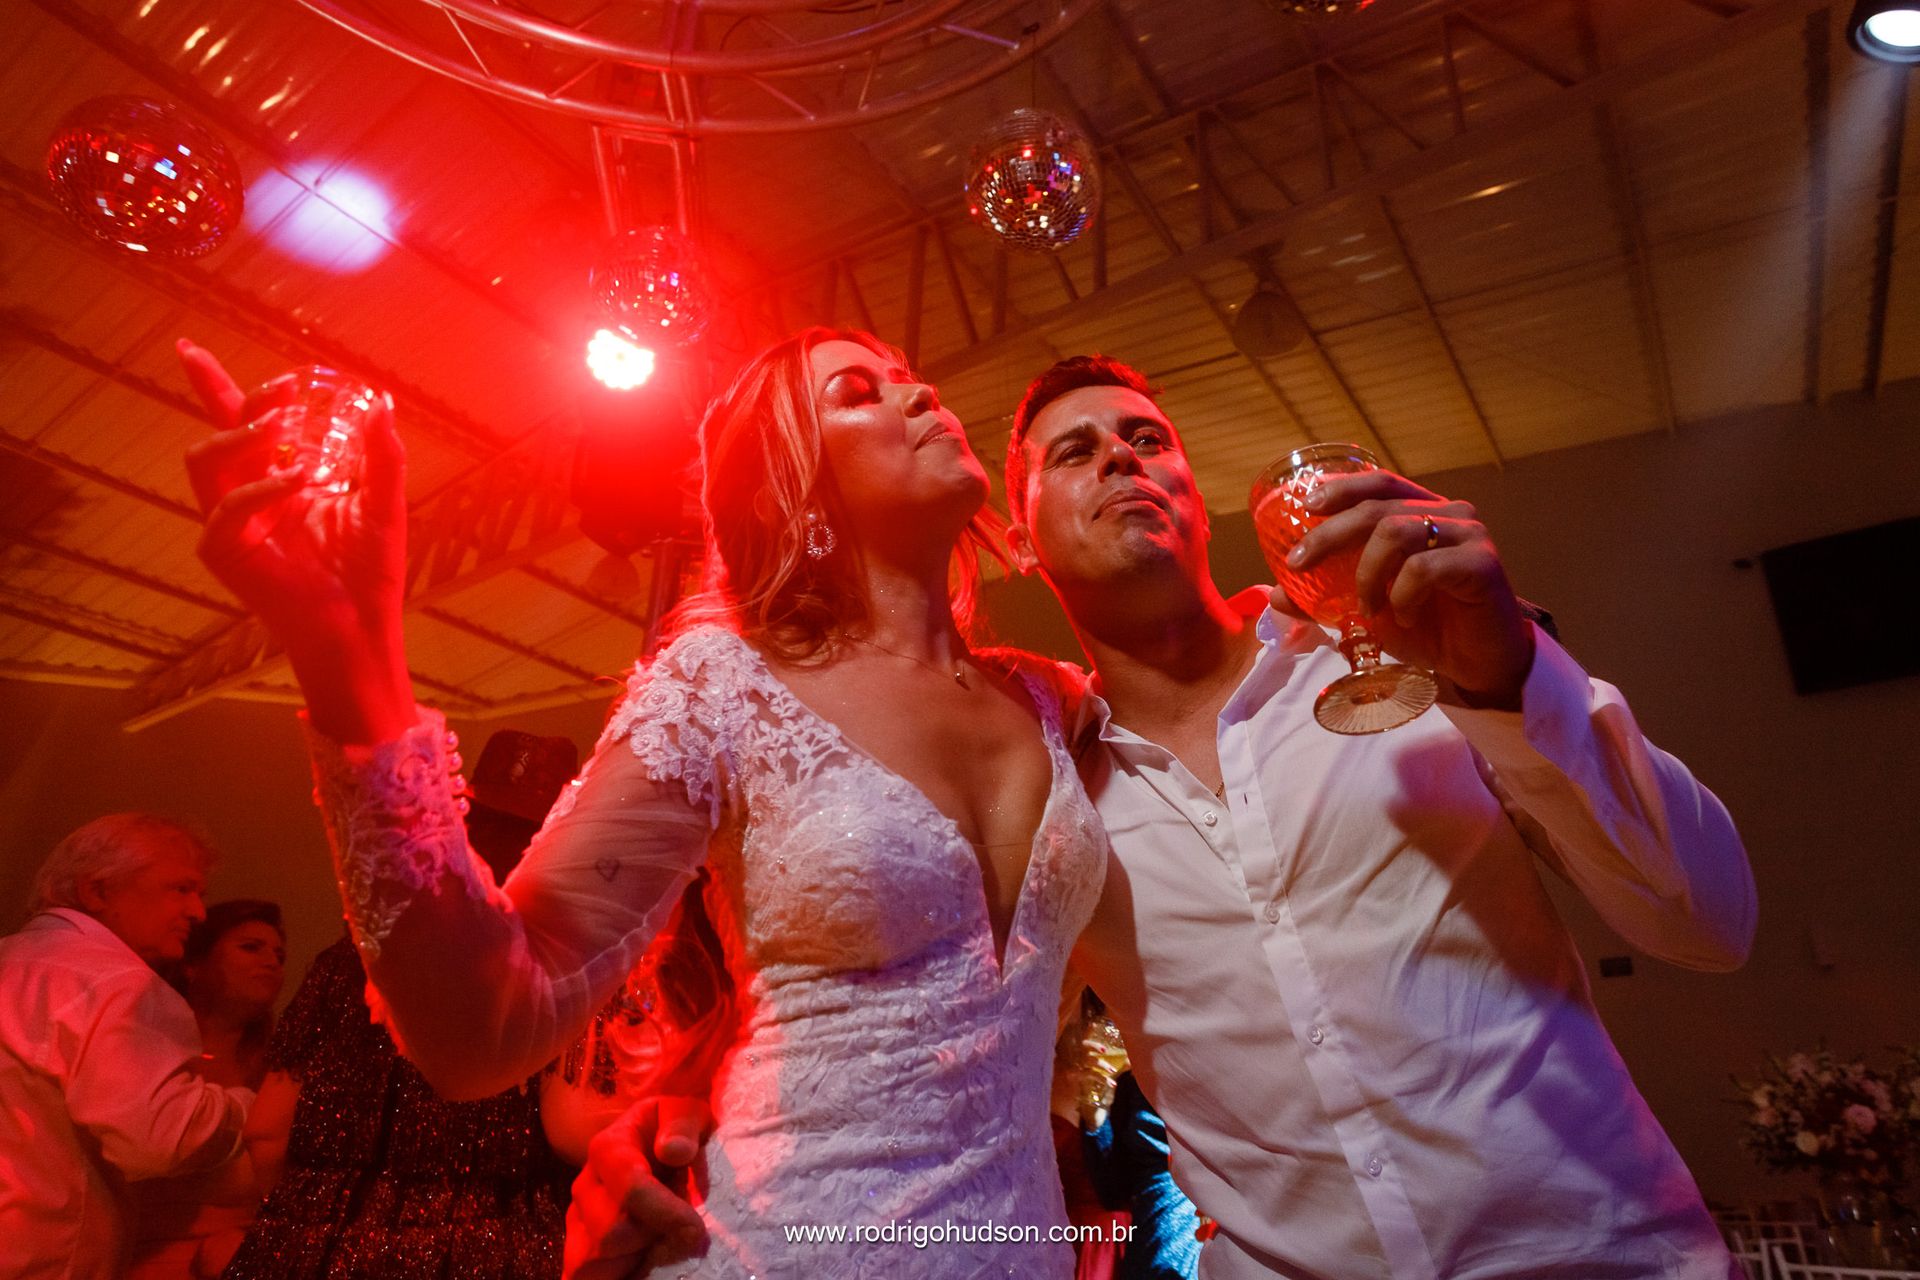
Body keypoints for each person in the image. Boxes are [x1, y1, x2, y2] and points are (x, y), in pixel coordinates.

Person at [176, 326, 1107, 1279]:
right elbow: (482, 1025)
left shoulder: (1052, 701)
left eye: (914, 378)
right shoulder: (726, 686)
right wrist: (349, 652)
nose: (920, 397)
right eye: (860, 391)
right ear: (794, 489)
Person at [1000, 355, 1758, 1279]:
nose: (1123, 457)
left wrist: (1512, 677)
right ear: (1020, 539)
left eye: (1147, 439)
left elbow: (1712, 922)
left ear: (1194, 492)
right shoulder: (1050, 798)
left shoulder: (1411, 660)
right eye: (1078, 452)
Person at [216, 730, 579, 1280]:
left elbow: (267, 1129)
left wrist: (303, 1222)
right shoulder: (556, 969)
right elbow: (571, 1129)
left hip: (310, 1241)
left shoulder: (350, 957)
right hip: (491, 1248)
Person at [0, 814, 253, 1280]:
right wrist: (248, 1109)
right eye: (181, 889)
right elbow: (162, 1140)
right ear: (97, 891)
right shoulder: (119, 983)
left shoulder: (12, 961)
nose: (198, 912)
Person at [127, 899, 288, 1279]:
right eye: (250, 947)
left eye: (279, 955)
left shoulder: (281, 1068)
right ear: (193, 964)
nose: (271, 962)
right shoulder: (145, 1051)